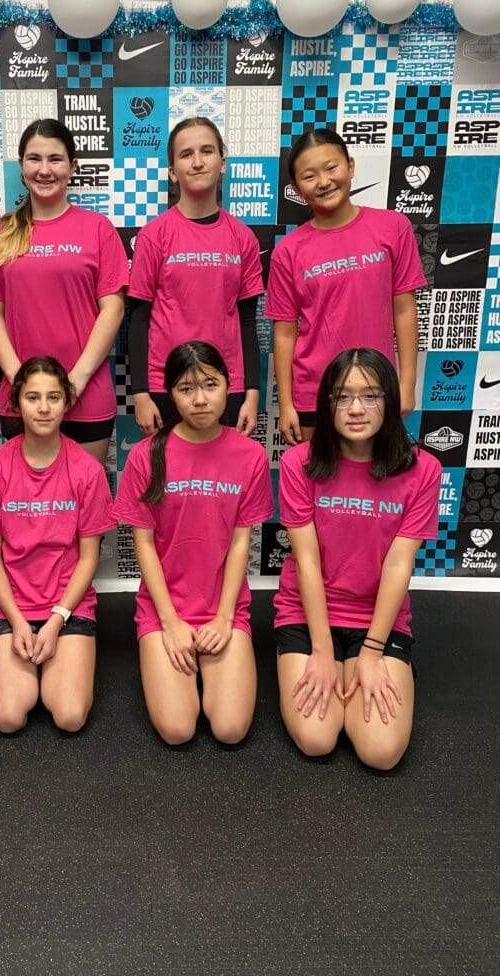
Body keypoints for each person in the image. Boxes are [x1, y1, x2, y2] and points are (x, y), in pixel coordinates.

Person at [274, 348, 441, 770]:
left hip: (376, 619)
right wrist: (321, 650)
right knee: (316, 739)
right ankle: (333, 660)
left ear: (390, 399)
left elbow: (398, 565)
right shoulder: (298, 463)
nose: (355, 409)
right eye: (342, 396)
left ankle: (372, 664)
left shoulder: (423, 470)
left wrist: (371, 653)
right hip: (308, 614)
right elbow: (307, 561)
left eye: (370, 395)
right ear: (326, 402)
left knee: (381, 752)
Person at [114, 341, 273, 745]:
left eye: (210, 385)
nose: (200, 399)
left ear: (228, 386)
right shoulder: (145, 456)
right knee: (177, 730)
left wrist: (224, 618)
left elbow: (240, 543)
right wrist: (169, 622)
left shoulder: (251, 456)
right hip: (164, 608)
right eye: (186, 389)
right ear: (170, 394)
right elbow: (143, 545)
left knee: (230, 730)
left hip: (223, 607)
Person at [0, 356, 115, 733]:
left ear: (67, 402)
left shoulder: (87, 470)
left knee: (69, 716)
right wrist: (17, 621)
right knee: (8, 718)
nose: (44, 407)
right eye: (33, 397)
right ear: (16, 403)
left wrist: (56, 620)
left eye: (54, 397)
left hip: (68, 607)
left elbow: (89, 558)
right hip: (13, 607)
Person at [0, 118, 128, 466]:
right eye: (34, 159)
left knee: (84, 498)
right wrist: (19, 380)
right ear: (21, 165)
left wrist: (77, 380)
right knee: (27, 499)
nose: (44, 170)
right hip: (23, 399)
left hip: (86, 395)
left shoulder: (97, 229)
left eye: (55, 159)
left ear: (72, 166)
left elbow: (113, 309)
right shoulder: (0, 233)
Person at [265, 128, 425, 446]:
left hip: (377, 388)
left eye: (331, 167)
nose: (323, 182)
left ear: (350, 166)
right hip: (315, 394)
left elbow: (405, 310)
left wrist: (406, 385)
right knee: (319, 476)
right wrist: (286, 405)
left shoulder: (393, 227)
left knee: (376, 475)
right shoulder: (288, 251)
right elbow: (284, 333)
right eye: (309, 176)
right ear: (296, 189)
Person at [128, 117, 264, 437]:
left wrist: (252, 394)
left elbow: (247, 321)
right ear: (173, 172)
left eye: (207, 151)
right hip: (166, 384)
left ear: (222, 162)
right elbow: (138, 319)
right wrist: (141, 393)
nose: (198, 162)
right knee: (167, 469)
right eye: (186, 154)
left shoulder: (243, 238)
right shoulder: (154, 235)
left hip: (226, 385)